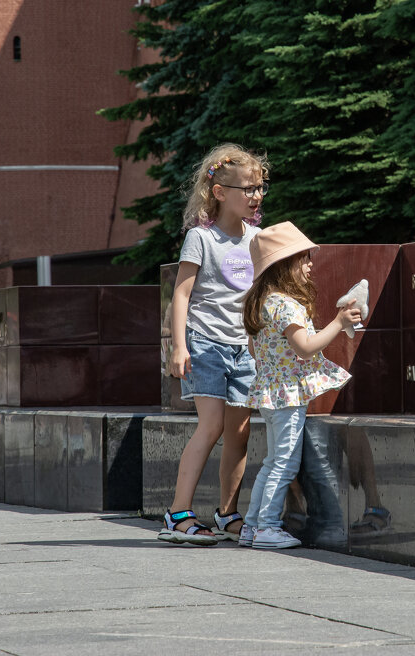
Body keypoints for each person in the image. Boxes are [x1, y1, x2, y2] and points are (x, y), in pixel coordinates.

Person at [160, 144, 270, 545]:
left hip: (245, 347)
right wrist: (178, 346)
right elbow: (182, 295)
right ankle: (177, 514)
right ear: (220, 191)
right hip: (205, 343)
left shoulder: (258, 239)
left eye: (260, 187)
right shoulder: (201, 238)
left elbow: (262, 296)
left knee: (239, 432)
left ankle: (227, 514)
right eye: (247, 188)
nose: (256, 195)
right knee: (211, 426)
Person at [238, 222, 362, 549]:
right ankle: (266, 527)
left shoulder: (259, 302)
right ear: (283, 266)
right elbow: (305, 347)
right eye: (303, 259)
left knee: (272, 461)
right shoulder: (287, 305)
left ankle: (251, 526)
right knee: (285, 462)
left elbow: (254, 349)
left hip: (268, 390)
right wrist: (338, 322)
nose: (310, 264)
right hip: (288, 394)